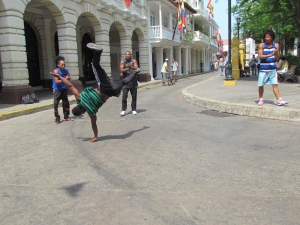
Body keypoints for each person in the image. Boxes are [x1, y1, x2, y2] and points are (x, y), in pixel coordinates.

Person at [50, 43, 139, 142]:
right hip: (104, 85)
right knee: (95, 65)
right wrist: (60, 77)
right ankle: (98, 53)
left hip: (112, 91)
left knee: (124, 81)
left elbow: (94, 124)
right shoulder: (80, 99)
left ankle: (136, 72)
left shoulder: (91, 112)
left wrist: (95, 136)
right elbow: (70, 85)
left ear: (81, 112)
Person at [257, 30, 288, 106]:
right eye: (265, 37)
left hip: (272, 69)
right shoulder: (262, 45)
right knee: (261, 84)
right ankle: (261, 98)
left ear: (272, 37)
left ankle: (279, 99)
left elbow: (277, 58)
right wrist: (271, 55)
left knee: (275, 84)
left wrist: (276, 53)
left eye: (268, 37)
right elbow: (260, 56)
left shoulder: (276, 45)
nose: (267, 38)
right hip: (263, 69)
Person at [52, 56, 73, 125]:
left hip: (64, 89)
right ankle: (57, 118)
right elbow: (57, 82)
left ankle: (66, 116)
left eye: (64, 65)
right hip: (57, 90)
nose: (64, 66)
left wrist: (68, 78)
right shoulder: (56, 71)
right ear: (58, 65)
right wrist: (65, 79)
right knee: (56, 104)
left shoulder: (66, 71)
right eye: (62, 65)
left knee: (66, 103)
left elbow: (69, 78)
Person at [120, 51, 139, 116]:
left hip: (133, 81)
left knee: (134, 96)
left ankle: (133, 109)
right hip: (126, 82)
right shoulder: (122, 61)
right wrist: (127, 68)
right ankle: (123, 110)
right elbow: (121, 70)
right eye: (126, 54)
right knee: (124, 97)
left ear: (130, 55)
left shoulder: (134, 61)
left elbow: (136, 68)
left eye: (128, 54)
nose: (127, 55)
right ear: (125, 55)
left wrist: (131, 66)